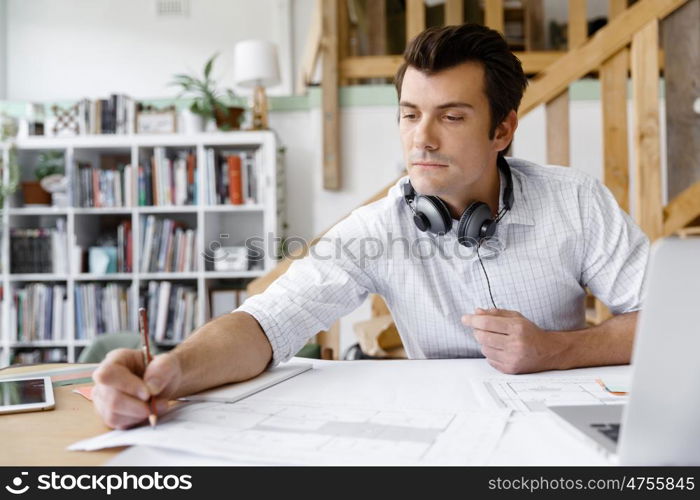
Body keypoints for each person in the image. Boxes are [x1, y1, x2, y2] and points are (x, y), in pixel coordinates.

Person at [92, 24, 648, 429]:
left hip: (560, 431)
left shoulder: (575, 201)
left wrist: (555, 350)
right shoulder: (376, 226)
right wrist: (170, 369)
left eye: (451, 116)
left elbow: (671, 323)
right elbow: (264, 324)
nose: (421, 138)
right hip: (449, 435)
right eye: (410, 114)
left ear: (502, 130)